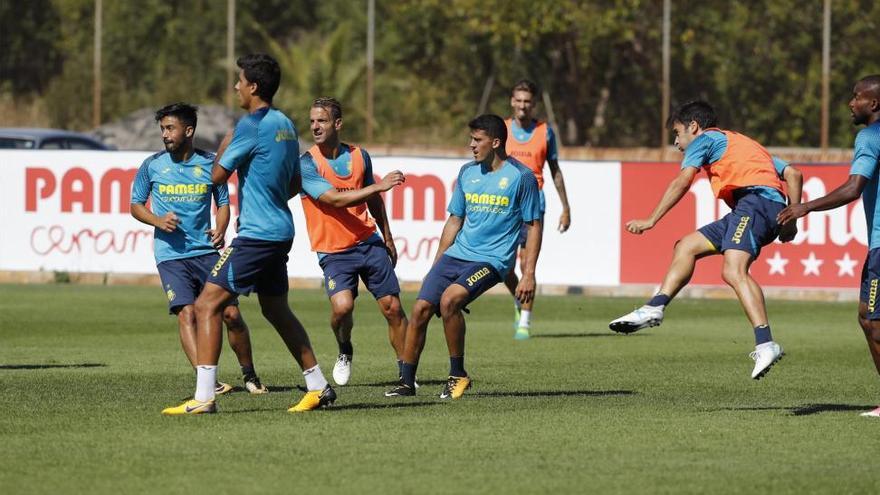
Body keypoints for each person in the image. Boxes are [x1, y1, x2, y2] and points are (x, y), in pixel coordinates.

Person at [161, 54, 404, 415]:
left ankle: (204, 397)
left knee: (206, 305)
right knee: (276, 309)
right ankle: (318, 386)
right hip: (281, 231)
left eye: (240, 81)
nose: (236, 87)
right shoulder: (287, 125)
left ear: (254, 87)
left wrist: (228, 140)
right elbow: (293, 182)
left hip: (256, 235)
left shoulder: (250, 126)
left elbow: (215, 177)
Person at [609, 100, 803, 380]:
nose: (677, 142)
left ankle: (766, 343)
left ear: (694, 127)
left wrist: (651, 219)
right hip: (753, 208)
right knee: (686, 246)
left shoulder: (705, 139)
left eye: (677, 133)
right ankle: (654, 307)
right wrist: (790, 221)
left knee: (733, 270)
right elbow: (793, 174)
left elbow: (683, 181)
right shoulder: (741, 142)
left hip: (755, 204)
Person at [385, 114, 542, 399]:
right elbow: (454, 221)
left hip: (492, 260)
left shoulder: (522, 177)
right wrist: (436, 264)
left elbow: (533, 226)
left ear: (495, 143)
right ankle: (406, 383)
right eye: (471, 139)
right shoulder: (467, 173)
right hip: (457, 254)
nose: (471, 145)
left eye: (477, 140)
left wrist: (528, 274)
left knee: (449, 301)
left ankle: (458, 375)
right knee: (420, 308)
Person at [131, 102, 267, 397]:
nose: (165, 134)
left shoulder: (209, 165)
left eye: (170, 128)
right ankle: (208, 383)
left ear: (188, 130)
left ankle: (250, 374)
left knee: (230, 314)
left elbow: (223, 204)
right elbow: (135, 205)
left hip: (206, 253)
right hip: (170, 256)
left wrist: (220, 228)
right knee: (186, 313)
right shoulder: (152, 165)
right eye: (162, 129)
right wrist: (156, 219)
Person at [777, 75, 880, 416]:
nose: (852, 103)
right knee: (868, 317)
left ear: (873, 104)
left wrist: (804, 207)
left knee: (874, 321)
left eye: (856, 97)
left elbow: (853, 188)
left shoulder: (869, 136)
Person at [298, 97, 408, 386]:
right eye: (311, 121)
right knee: (342, 308)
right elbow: (333, 200)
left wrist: (388, 237)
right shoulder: (307, 162)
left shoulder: (360, 156)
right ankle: (344, 348)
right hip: (333, 250)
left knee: (393, 308)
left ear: (337, 124)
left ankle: (406, 371)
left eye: (321, 121)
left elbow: (373, 200)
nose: (315, 126)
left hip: (367, 241)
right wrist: (378, 185)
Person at [503, 79, 571, 340]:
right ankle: (518, 300)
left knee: (527, 265)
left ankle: (525, 322)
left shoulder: (545, 132)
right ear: (512, 101)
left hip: (533, 208)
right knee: (504, 267)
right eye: (518, 100)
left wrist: (565, 207)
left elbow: (555, 171)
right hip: (506, 208)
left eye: (527, 101)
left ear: (534, 104)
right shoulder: (503, 129)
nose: (522, 106)